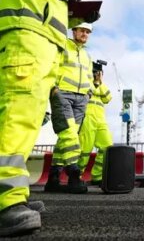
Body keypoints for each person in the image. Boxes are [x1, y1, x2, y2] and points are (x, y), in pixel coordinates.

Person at [0, 0, 92, 237]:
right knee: (17, 119)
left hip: (45, 48)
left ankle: (16, 194)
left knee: (25, 124)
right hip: (27, 41)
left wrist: (73, 5)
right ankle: (5, 202)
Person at [44, 23, 93, 194]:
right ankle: (73, 173)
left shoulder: (87, 55)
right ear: (74, 31)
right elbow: (51, 65)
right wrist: (54, 89)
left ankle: (53, 177)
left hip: (81, 98)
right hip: (62, 93)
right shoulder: (63, 45)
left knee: (66, 137)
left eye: (87, 32)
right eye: (82, 30)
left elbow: (89, 76)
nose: (84, 34)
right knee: (69, 133)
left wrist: (89, 93)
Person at [77, 63, 113, 186]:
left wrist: (100, 82)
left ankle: (97, 175)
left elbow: (108, 98)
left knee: (107, 147)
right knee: (84, 150)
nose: (96, 74)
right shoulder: (85, 82)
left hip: (101, 120)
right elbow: (87, 92)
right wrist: (95, 83)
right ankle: (76, 176)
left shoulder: (102, 85)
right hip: (87, 118)